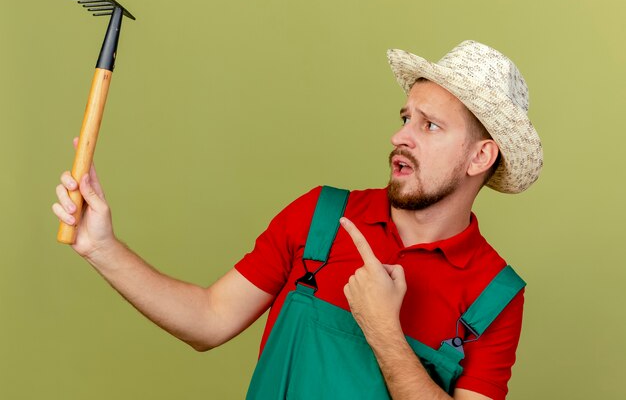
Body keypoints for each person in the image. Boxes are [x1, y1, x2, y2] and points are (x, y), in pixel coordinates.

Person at [52, 40, 542, 399]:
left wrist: (383, 330)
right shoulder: (320, 218)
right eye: (406, 117)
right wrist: (102, 248)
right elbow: (209, 319)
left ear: (480, 157)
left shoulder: (494, 297)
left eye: (429, 125)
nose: (401, 136)